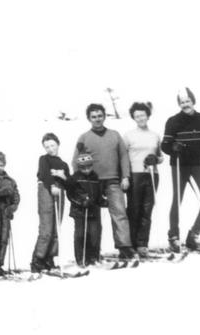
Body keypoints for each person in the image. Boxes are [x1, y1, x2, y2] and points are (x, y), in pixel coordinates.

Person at [161, 87, 200, 252]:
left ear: (193, 101)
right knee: (177, 200)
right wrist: (173, 146)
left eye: (188, 101)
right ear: (179, 104)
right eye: (182, 102)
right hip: (180, 165)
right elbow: (164, 145)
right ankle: (173, 236)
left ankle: (193, 234)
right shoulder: (173, 121)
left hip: (198, 164)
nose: (185, 104)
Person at [73, 103, 135, 259]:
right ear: (89, 118)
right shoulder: (84, 137)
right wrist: (80, 182)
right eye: (93, 117)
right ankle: (93, 252)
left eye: (100, 116)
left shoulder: (114, 135)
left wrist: (125, 176)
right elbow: (76, 161)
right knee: (94, 219)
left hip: (113, 181)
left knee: (119, 213)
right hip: (92, 182)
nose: (97, 119)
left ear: (104, 116)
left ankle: (124, 247)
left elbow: (123, 156)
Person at [123, 102, 162, 258]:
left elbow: (160, 157)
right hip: (135, 174)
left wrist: (155, 159)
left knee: (147, 210)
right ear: (133, 117)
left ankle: (142, 244)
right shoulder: (129, 135)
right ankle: (130, 244)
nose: (140, 118)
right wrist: (125, 176)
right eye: (137, 115)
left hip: (152, 174)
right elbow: (123, 157)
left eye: (143, 115)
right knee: (134, 209)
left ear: (148, 115)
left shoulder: (154, 135)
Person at [31, 134, 70, 272]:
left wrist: (61, 175)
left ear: (58, 144)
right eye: (47, 146)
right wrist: (52, 184)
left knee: (56, 228)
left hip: (60, 191)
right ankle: (38, 259)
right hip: (46, 189)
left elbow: (68, 179)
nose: (50, 149)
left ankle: (50, 258)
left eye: (52, 145)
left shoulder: (63, 163)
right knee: (47, 227)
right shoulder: (44, 159)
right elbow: (44, 173)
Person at [67, 154, 104, 266]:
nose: (87, 170)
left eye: (89, 167)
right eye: (83, 167)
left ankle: (93, 257)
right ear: (79, 167)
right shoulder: (74, 178)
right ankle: (81, 258)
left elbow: (98, 193)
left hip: (93, 210)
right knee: (81, 234)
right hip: (79, 211)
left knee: (94, 234)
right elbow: (71, 194)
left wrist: (102, 201)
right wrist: (81, 202)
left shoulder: (95, 177)